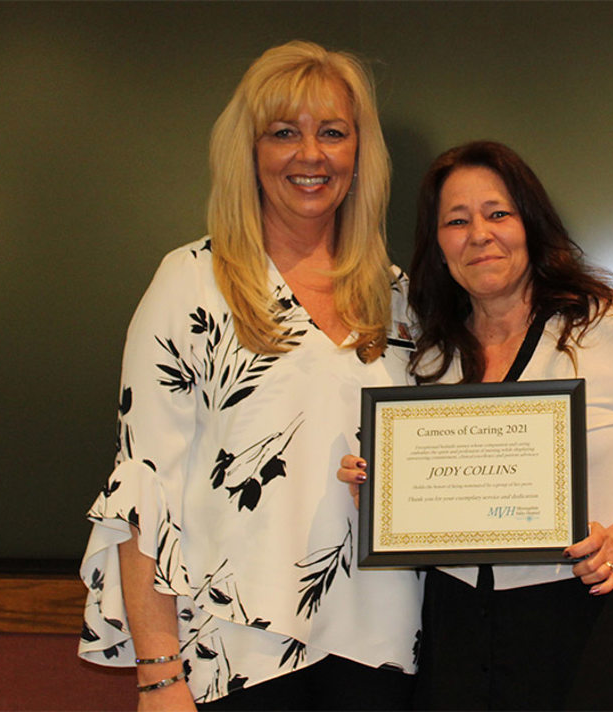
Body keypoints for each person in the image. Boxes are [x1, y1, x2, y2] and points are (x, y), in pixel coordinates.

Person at [78, 41, 423, 711]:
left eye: (332, 132)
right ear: (251, 150)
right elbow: (146, 490)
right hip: (240, 658)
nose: (310, 155)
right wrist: (158, 675)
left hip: (386, 653)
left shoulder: (398, 298)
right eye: (283, 133)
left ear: (360, 153)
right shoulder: (191, 285)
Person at [339, 140, 613, 710]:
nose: (479, 234)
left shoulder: (612, 327)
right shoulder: (427, 353)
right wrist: (379, 493)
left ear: (530, 223)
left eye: (498, 213)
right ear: (439, 245)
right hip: (457, 638)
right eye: (456, 220)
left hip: (591, 625)